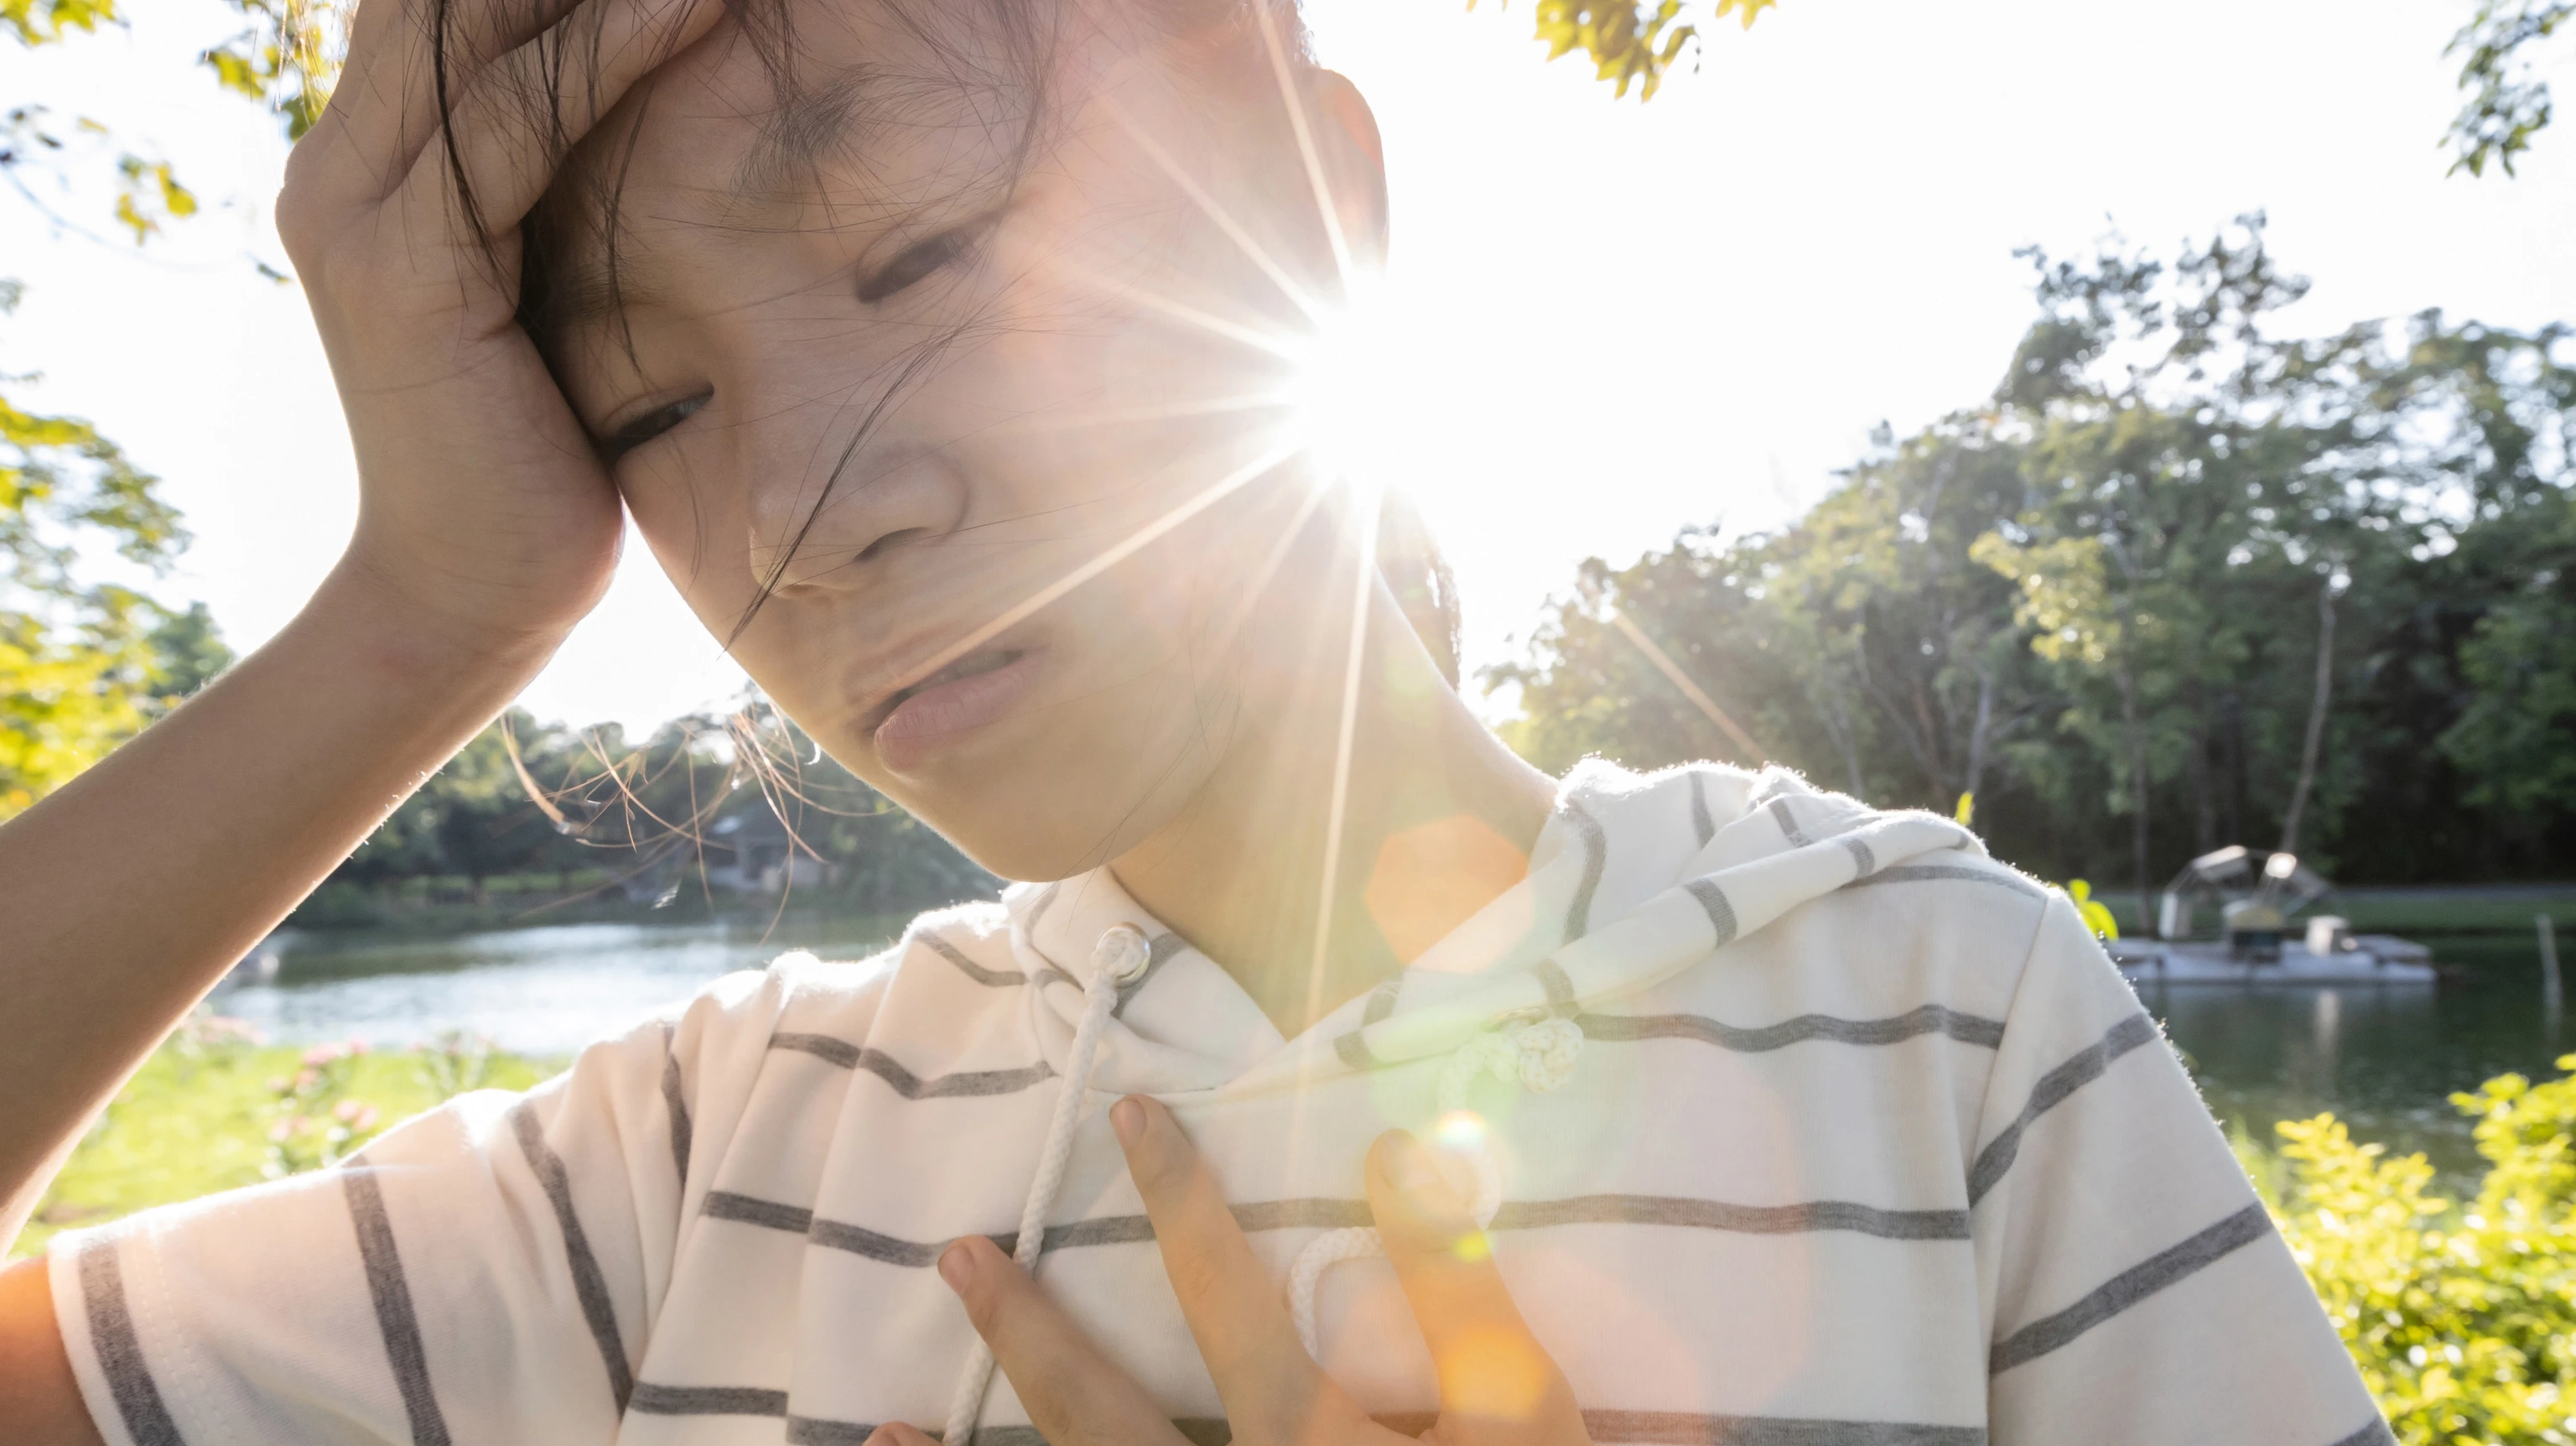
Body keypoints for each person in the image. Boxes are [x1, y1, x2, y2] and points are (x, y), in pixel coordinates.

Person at [0, 0, 2391, 1442]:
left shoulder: (1932, 1006)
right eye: (644, 407)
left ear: (1322, 213)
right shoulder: (702, 1158)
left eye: (926, 253)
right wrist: (417, 612)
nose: (807, 509)